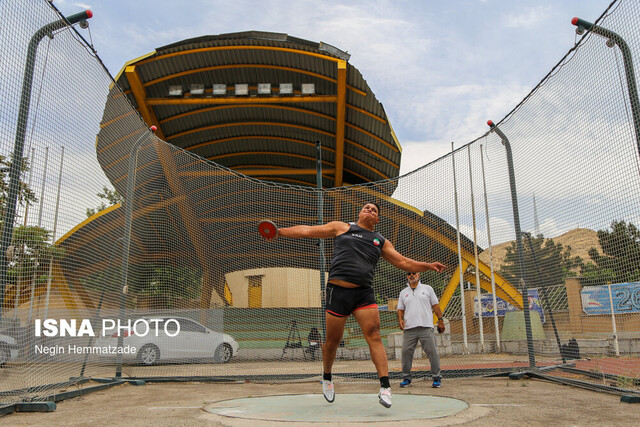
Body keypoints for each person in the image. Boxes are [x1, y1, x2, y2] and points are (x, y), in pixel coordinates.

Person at [263, 202, 446, 408]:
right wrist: (279, 232)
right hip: (337, 292)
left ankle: (385, 387)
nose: (370, 210)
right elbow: (307, 231)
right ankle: (327, 377)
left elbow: (403, 262)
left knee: (374, 335)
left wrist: (428, 266)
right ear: (359, 213)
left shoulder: (380, 241)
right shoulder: (341, 227)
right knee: (332, 340)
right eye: (366, 208)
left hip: (363, 294)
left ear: (377, 220)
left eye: (374, 210)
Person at [397, 272, 444, 389]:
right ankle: (406, 378)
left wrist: (440, 320)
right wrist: (400, 320)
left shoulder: (427, 289)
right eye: (409, 274)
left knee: (432, 353)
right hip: (409, 329)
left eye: (414, 273)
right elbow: (400, 309)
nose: (411, 275)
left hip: (426, 327)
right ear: (407, 276)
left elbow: (436, 305)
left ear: (418, 275)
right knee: (406, 353)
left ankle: (437, 378)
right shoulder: (403, 292)